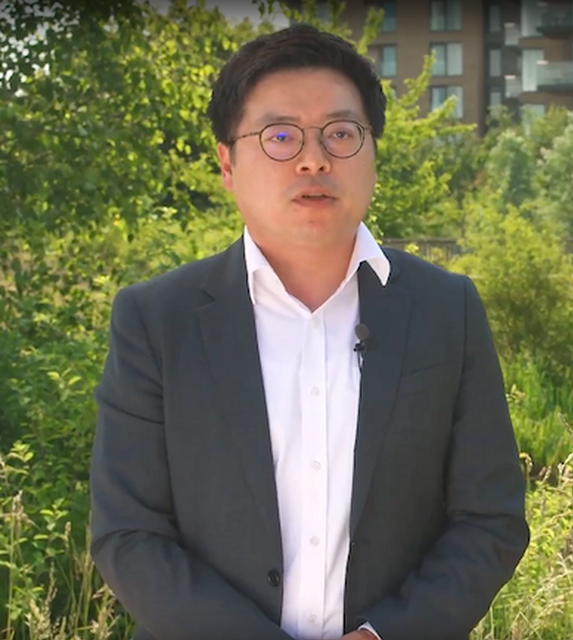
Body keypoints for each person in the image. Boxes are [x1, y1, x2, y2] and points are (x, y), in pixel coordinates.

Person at [89, 23, 529, 640]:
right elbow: (127, 532)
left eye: (342, 134)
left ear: (372, 150)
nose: (314, 158)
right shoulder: (157, 319)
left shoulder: (445, 309)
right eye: (279, 136)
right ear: (226, 163)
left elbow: (491, 518)